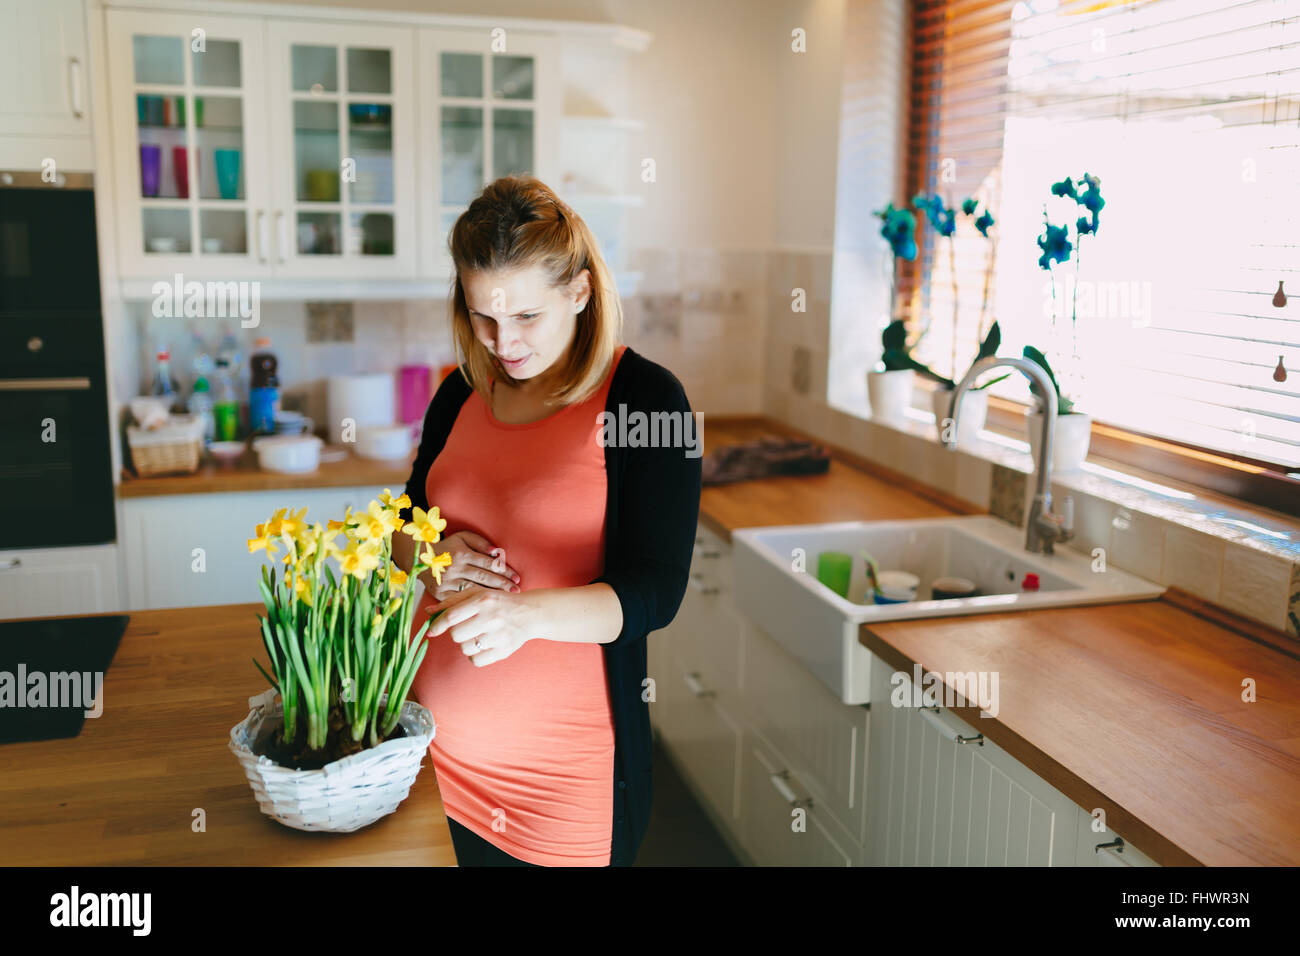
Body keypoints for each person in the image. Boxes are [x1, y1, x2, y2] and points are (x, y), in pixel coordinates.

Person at [391, 175, 702, 867]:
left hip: (554, 792)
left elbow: (657, 590)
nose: (504, 342)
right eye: (484, 316)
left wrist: (523, 617)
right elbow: (403, 525)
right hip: (421, 760)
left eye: (527, 316)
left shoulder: (646, 401)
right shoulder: (461, 391)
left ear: (580, 292)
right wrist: (429, 551)